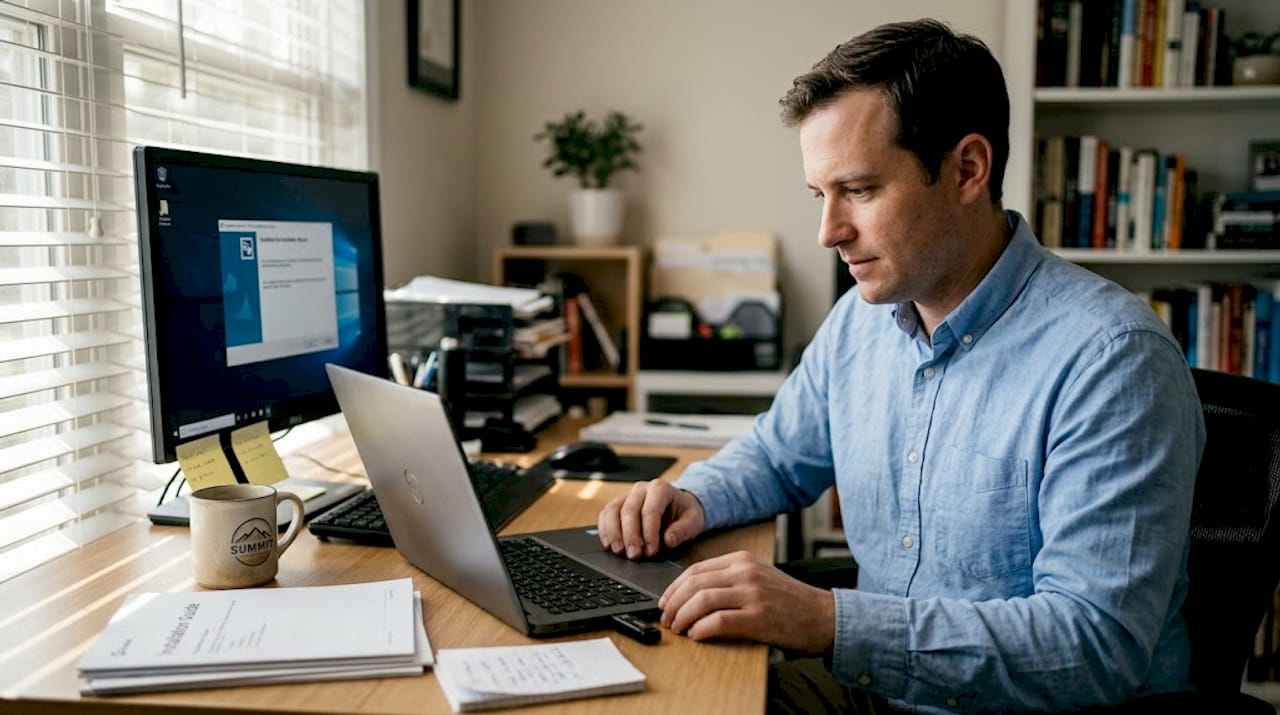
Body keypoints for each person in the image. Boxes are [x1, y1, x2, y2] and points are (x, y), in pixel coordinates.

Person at [597, 18, 1204, 714]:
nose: (829, 233)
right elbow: (778, 452)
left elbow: (1093, 643)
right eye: (819, 196)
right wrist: (693, 497)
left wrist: (828, 621)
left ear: (967, 169)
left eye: (858, 190)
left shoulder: (1113, 361)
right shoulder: (862, 317)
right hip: (883, 689)